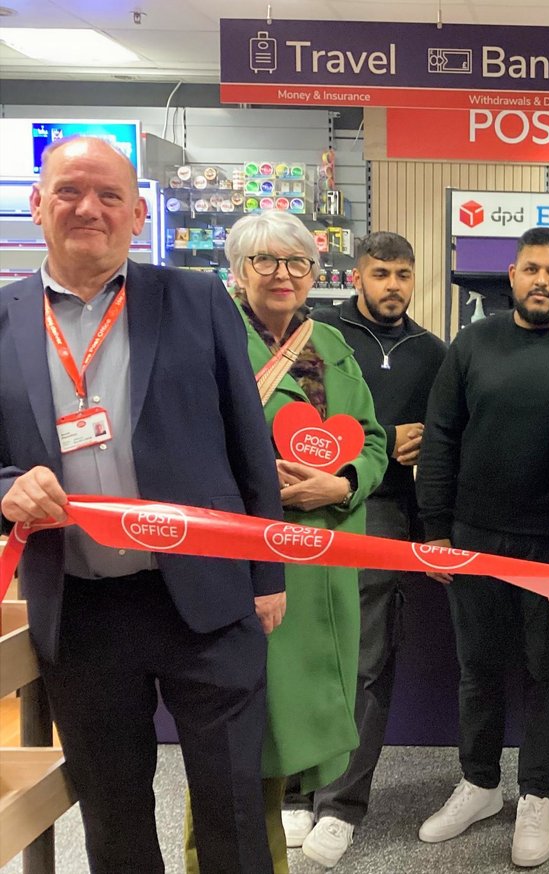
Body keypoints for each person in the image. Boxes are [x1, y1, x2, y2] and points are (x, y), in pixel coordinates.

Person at [0, 135, 284, 872]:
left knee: (231, 809)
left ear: (136, 213)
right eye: (68, 191)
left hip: (209, 598)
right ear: (37, 205)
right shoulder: (2, 320)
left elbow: (247, 440)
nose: (87, 207)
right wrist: (7, 489)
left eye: (108, 195)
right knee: (115, 815)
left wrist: (269, 573)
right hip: (84, 610)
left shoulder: (194, 298)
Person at [183, 210, 388, 873]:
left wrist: (346, 482)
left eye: (296, 262)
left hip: (325, 573)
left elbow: (373, 438)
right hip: (250, 574)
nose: (282, 274)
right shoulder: (210, 338)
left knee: (287, 729)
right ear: (238, 271)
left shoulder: (328, 342)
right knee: (238, 741)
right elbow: (186, 446)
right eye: (265, 261)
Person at [417, 227, 549, 868]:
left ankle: (537, 794)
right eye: (531, 269)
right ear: (512, 274)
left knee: (548, 673)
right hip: (472, 536)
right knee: (478, 667)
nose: (541, 281)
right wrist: (435, 527)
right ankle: (479, 783)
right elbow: (441, 436)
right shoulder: (473, 343)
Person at [292, 232, 447, 867]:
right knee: (305, 651)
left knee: (366, 659)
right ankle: (299, 786)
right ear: (357, 275)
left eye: (404, 274)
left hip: (386, 514)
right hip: (315, 509)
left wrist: (425, 445)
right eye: (381, 272)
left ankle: (341, 803)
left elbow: (451, 434)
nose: (393, 285)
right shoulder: (318, 337)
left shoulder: (433, 352)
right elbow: (296, 421)